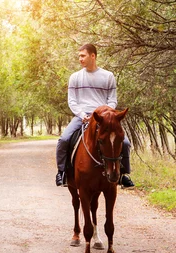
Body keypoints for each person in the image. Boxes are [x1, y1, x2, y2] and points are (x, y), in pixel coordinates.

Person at [55, 44, 135, 189]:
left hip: (104, 118)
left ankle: (123, 174)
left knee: (125, 143)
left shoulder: (108, 76)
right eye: (79, 56)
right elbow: (72, 101)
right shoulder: (75, 77)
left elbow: (112, 99)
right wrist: (82, 114)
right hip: (82, 116)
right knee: (64, 139)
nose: (80, 59)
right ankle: (62, 172)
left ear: (93, 56)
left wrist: (106, 113)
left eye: (83, 55)